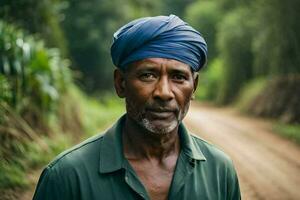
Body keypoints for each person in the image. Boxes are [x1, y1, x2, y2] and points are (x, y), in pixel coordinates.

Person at [33, 15, 241, 200]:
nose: (164, 93)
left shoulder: (220, 171)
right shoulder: (66, 176)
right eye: (148, 75)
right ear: (120, 83)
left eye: (178, 77)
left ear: (193, 87)